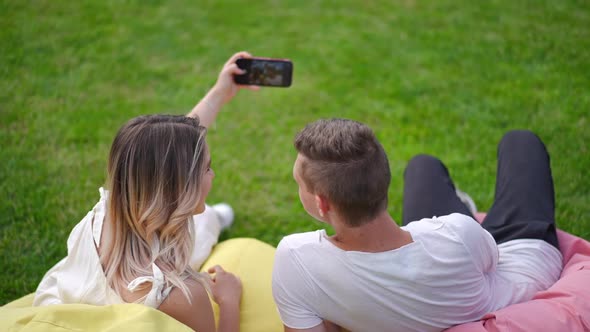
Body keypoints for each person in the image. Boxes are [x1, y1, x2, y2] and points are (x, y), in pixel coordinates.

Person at [33, 52, 259, 332]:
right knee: (203, 225)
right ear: (180, 190)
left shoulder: (103, 214)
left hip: (60, 307)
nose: (213, 174)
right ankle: (215, 218)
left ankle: (214, 216)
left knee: (199, 223)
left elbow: (165, 153)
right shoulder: (184, 295)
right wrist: (229, 300)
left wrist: (220, 92)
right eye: (207, 169)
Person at [272, 118, 563, 332]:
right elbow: (493, 262)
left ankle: (462, 203)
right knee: (520, 142)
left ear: (322, 204)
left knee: (423, 167)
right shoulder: (456, 233)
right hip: (520, 258)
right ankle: (468, 207)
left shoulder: (295, 259)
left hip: (463, 256)